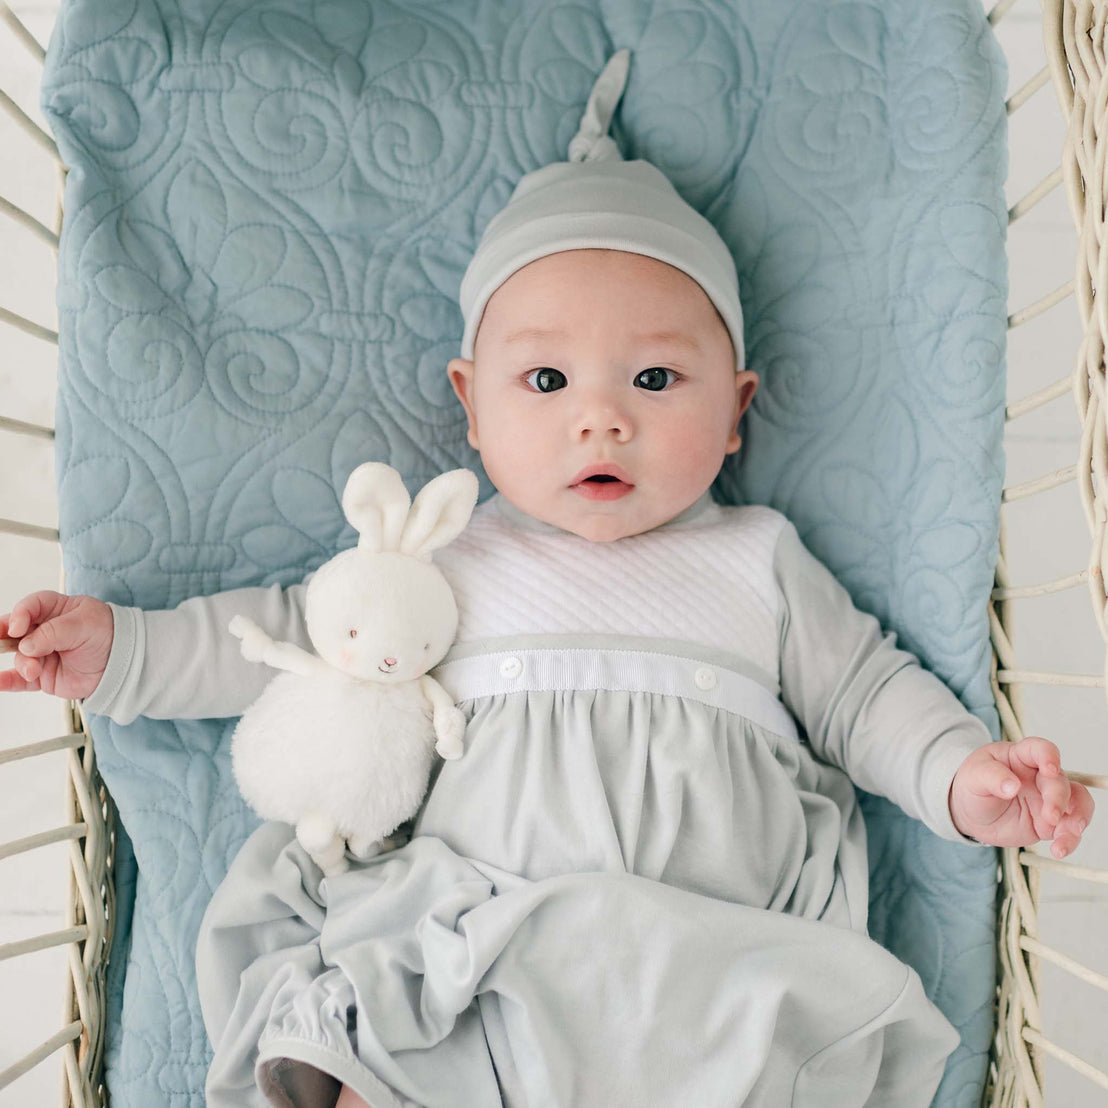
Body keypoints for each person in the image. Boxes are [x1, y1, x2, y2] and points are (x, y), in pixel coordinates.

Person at [0, 49, 1095, 1108]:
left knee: (760, 1043)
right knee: (384, 1041)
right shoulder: (440, 561)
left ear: (736, 413)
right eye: (546, 377)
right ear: (469, 404)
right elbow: (287, 636)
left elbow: (864, 698)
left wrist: (960, 777)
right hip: (476, 946)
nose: (600, 413)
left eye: (657, 377)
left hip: (696, 967)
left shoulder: (756, 559)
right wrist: (123, 650)